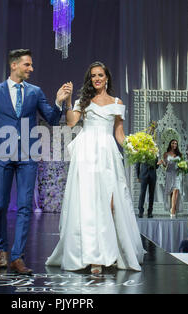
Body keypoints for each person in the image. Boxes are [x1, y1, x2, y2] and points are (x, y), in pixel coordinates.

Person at [45, 61, 145, 274]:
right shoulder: (84, 101)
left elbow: (119, 133)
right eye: (93, 76)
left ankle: (108, 252)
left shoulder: (117, 102)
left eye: (100, 75)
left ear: (107, 77)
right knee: (88, 205)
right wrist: (70, 100)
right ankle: (94, 258)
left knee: (109, 204)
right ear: (90, 79)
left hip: (107, 154)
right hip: (87, 152)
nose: (97, 78)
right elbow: (71, 123)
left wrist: (137, 147)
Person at [0, 49, 70, 275]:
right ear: (14, 66)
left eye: (31, 65)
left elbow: (51, 118)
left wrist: (59, 102)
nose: (31, 69)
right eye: (27, 65)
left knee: (25, 207)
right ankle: (2, 250)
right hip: (3, 153)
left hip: (28, 155)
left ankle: (17, 256)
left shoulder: (35, 92)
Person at [136, 146, 163, 218]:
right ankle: (140, 211)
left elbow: (155, 166)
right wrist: (138, 176)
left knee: (151, 195)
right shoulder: (141, 153)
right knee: (142, 194)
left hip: (152, 176)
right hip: (143, 175)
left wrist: (158, 164)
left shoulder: (155, 153)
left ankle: (150, 212)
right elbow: (137, 165)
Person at [163, 139, 183, 218]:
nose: (174, 144)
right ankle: (172, 207)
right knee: (171, 192)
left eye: (176, 143)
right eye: (173, 143)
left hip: (177, 174)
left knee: (176, 190)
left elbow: (181, 163)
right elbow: (165, 165)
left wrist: (182, 166)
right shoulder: (166, 154)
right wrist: (163, 163)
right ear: (170, 144)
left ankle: (173, 210)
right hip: (169, 173)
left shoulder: (179, 154)